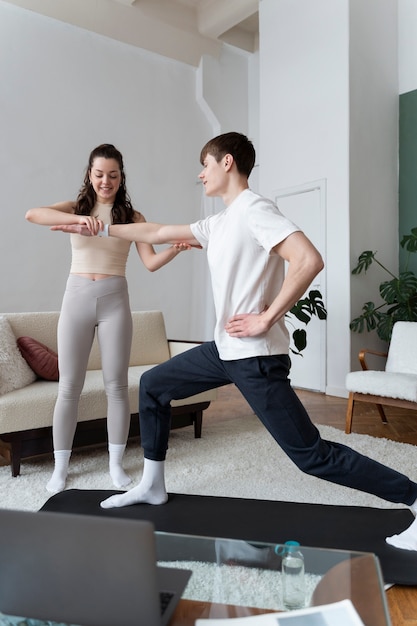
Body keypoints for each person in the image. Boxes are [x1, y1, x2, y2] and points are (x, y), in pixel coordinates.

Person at [53, 132, 417, 551]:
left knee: (312, 455)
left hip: (255, 358)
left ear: (226, 163)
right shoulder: (219, 221)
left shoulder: (255, 210)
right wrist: (93, 226)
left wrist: (267, 317)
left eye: (204, 164)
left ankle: (414, 496)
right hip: (223, 350)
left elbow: (309, 259)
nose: (200, 173)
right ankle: (152, 484)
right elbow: (152, 230)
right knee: (153, 386)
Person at [25, 143, 189, 494]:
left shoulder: (133, 218)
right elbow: (33, 214)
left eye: (112, 175)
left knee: (116, 386)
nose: (105, 181)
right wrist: (77, 220)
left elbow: (150, 262)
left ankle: (116, 465)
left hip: (115, 301)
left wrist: (174, 249)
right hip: (77, 298)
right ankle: (61, 468)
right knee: (69, 387)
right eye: (99, 174)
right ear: (89, 174)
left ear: (121, 178)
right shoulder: (76, 208)